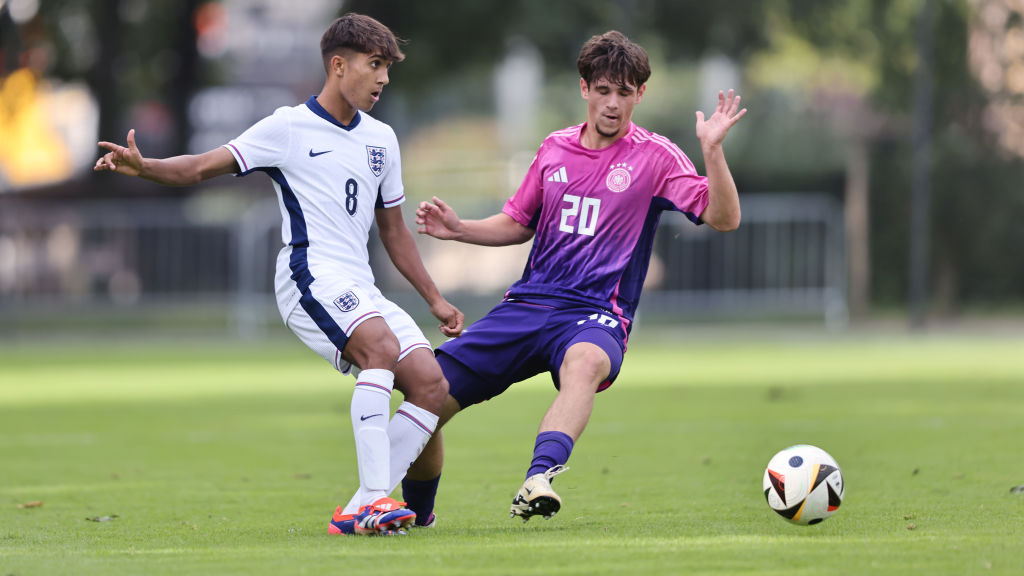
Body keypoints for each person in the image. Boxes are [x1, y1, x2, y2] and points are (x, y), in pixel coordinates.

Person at [94, 13, 464, 536]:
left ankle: (365, 502)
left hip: (360, 284)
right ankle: (375, 500)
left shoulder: (382, 139)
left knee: (431, 384)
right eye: (374, 65)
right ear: (339, 66)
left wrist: (434, 298)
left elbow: (395, 230)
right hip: (307, 276)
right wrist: (146, 165)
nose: (383, 78)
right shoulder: (287, 127)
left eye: (387, 68)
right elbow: (202, 166)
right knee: (379, 349)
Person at [406, 30, 746, 524]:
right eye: (604, 90)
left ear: (640, 95)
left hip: (596, 314)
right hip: (527, 306)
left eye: (625, 93)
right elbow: (519, 224)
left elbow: (724, 218)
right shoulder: (553, 148)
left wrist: (713, 152)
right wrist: (460, 229)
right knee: (426, 397)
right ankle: (415, 517)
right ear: (584, 88)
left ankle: (539, 478)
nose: (613, 104)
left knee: (585, 364)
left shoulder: (656, 157)